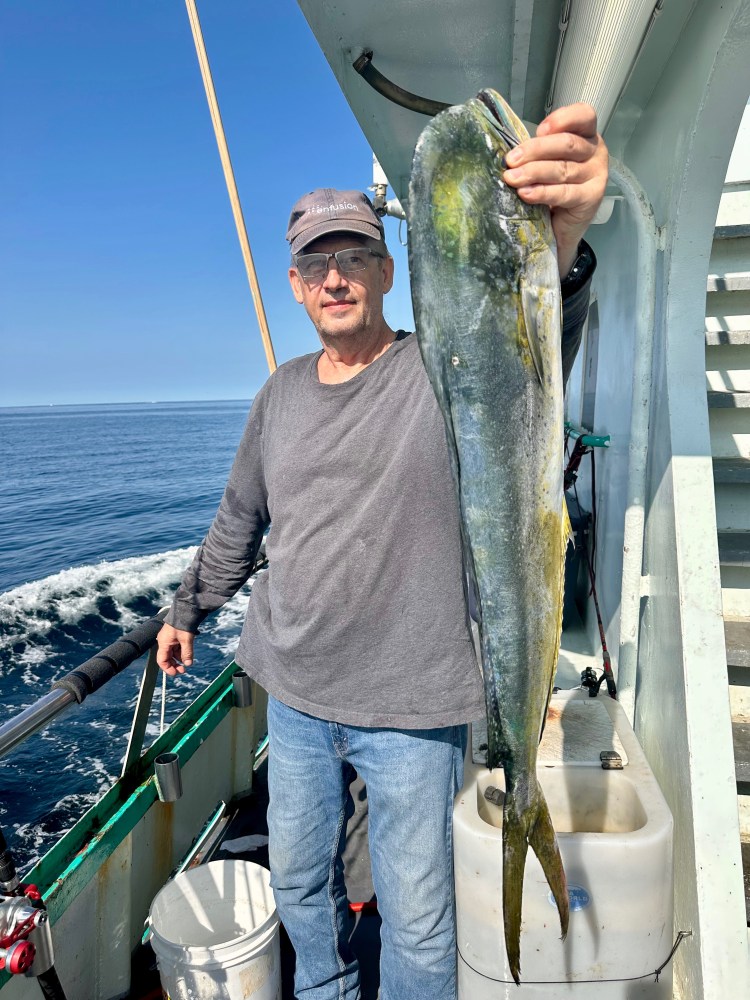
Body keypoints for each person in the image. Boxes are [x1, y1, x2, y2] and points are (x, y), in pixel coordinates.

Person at [157, 102, 608, 1000]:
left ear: (389, 270)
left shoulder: (434, 368)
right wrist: (185, 610)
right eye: (317, 263)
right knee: (297, 885)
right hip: (291, 690)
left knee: (419, 917)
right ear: (294, 284)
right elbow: (238, 522)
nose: (335, 278)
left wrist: (561, 250)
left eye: (354, 257)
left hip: (413, 705)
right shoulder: (277, 396)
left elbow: (514, 344)